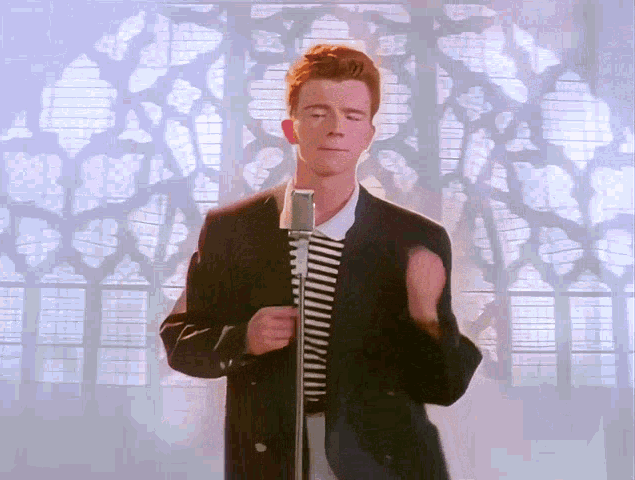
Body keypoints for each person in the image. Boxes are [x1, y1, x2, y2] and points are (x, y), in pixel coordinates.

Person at [160, 43, 482, 480]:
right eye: (317, 113)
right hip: (271, 461)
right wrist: (243, 339)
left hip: (384, 465)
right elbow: (180, 340)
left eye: (352, 116)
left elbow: (443, 388)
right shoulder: (233, 230)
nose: (335, 129)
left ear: (368, 135)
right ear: (290, 128)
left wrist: (427, 317)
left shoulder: (415, 239)